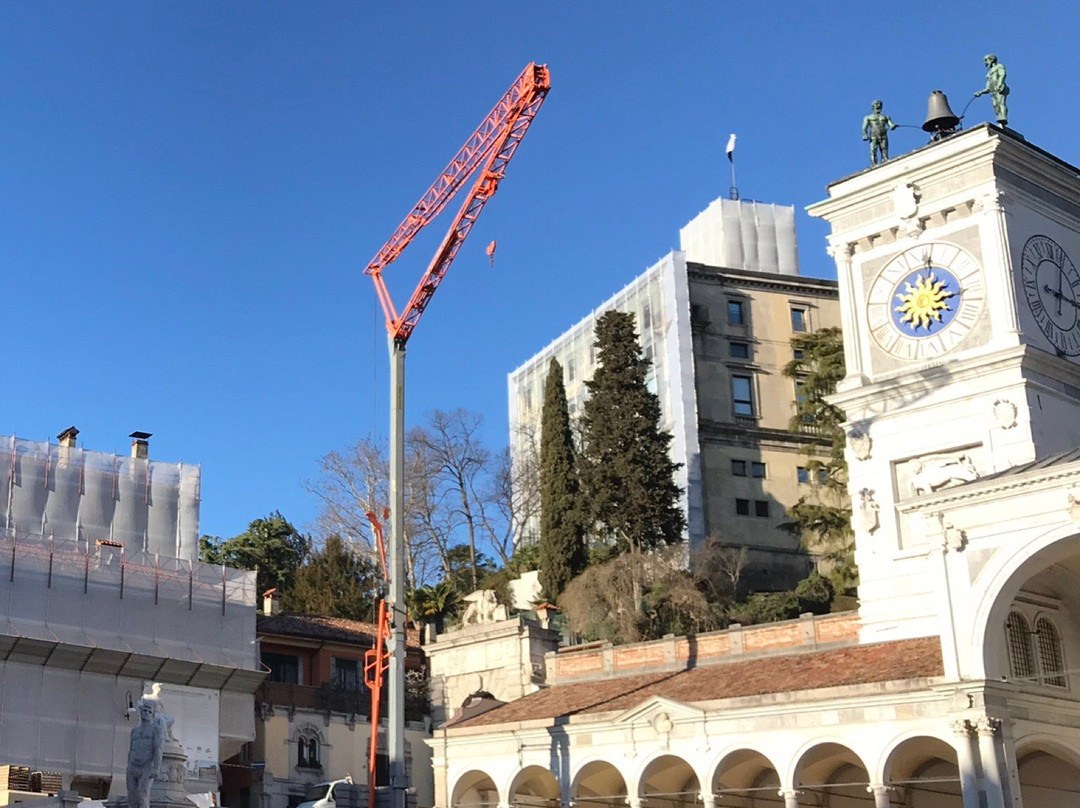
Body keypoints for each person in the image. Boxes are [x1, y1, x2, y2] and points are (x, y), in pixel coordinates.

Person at [127, 698, 166, 808]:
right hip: (133, 765)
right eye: (145, 711)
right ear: (141, 712)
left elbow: (158, 748)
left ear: (153, 714)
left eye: (150, 712)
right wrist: (129, 765)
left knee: (142, 794)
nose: (147, 713)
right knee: (131, 795)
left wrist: (156, 768)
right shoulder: (135, 731)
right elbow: (131, 749)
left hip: (146, 766)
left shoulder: (156, 729)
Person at [974, 53, 1009, 125]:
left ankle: (1003, 118)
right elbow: (988, 87)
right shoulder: (989, 73)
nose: (985, 63)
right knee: (995, 106)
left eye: (986, 60)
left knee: (1001, 103)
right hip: (993, 91)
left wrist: (1000, 84)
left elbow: (1002, 74)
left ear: (992, 60)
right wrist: (980, 92)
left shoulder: (999, 66)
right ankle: (999, 116)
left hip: (1000, 88)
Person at [862, 100, 897, 165]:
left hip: (883, 135)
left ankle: (886, 163)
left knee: (884, 150)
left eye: (880, 104)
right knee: (873, 151)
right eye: (876, 104)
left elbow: (891, 125)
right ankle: (874, 165)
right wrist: (864, 134)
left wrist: (893, 126)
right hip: (873, 135)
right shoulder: (868, 117)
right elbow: (864, 127)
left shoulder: (886, 117)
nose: (878, 105)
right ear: (873, 107)